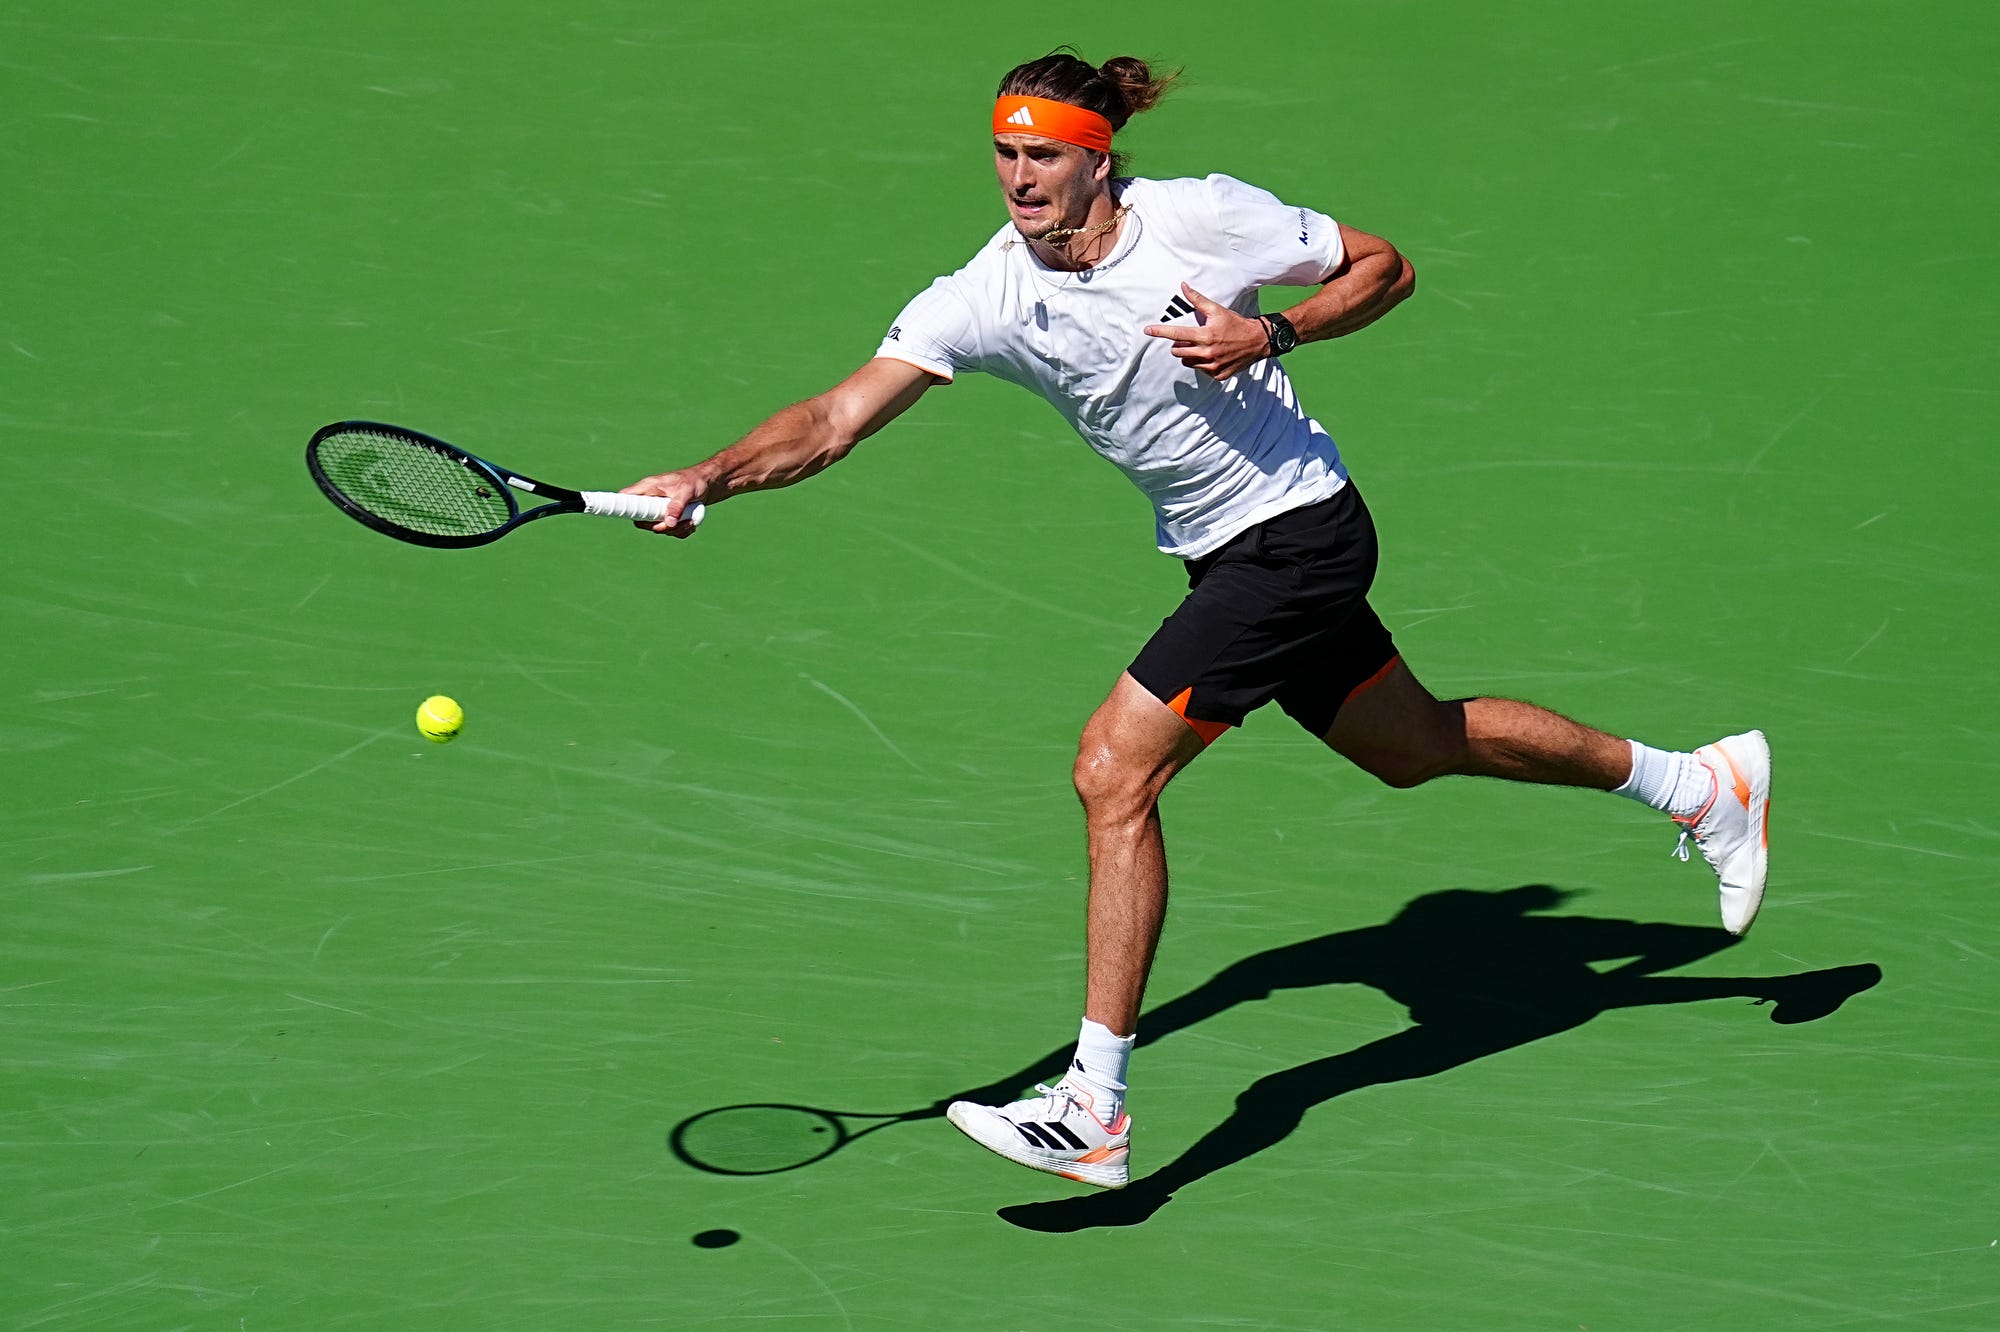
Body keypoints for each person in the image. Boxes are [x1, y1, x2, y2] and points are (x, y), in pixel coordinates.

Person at [619, 50, 1771, 1192]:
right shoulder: (983, 294)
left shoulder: (1200, 221)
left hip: (1297, 536)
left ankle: (1093, 1108)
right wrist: (708, 477)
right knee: (1411, 748)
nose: (1018, 180)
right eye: (1004, 154)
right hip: (1223, 554)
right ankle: (1695, 784)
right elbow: (831, 420)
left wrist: (1268, 334)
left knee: (1111, 772)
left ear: (1096, 162)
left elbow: (1385, 268)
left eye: (1042, 158)